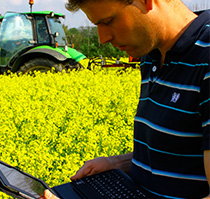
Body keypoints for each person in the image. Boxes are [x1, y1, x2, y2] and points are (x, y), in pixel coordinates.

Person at [44, 0, 210, 198]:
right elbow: (179, 151)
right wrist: (117, 164)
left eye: (108, 21)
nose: (103, 38)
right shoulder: (151, 54)